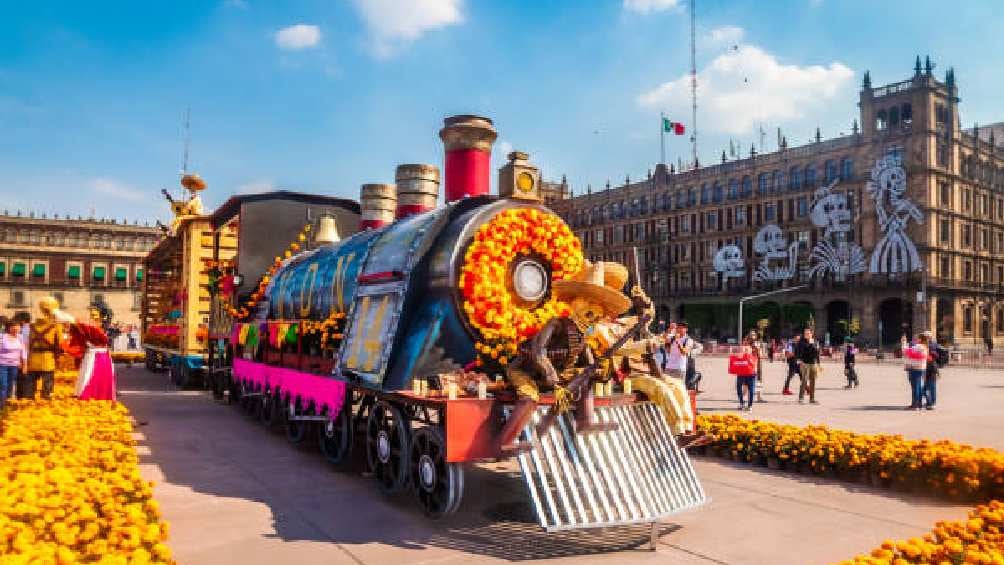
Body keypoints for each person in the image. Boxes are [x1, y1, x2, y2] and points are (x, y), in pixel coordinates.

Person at [23, 296, 63, 400]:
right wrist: (58, 358)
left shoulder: (31, 326)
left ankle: (28, 402)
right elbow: (60, 343)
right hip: (48, 359)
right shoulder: (56, 326)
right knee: (47, 387)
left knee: (30, 386)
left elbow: (26, 343)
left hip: (33, 359)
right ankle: (45, 402)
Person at [0, 316, 28, 409]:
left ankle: (8, 402)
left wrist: (24, 365)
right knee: (3, 384)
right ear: (8, 327)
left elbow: (23, 352)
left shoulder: (20, 338)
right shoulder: (2, 337)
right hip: (2, 365)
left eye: (18, 326)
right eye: (13, 326)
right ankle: (2, 404)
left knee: (11, 384)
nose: (16, 328)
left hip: (14, 365)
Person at [902, 333, 929, 411]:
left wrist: (904, 342)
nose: (915, 340)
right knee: (918, 386)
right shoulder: (924, 347)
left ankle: (915, 405)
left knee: (915, 387)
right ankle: (919, 404)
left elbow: (905, 351)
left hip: (915, 368)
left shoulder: (918, 347)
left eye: (916, 338)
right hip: (921, 368)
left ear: (920, 339)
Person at [729, 340, 758, 411]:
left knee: (749, 389)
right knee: (747, 389)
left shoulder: (752, 348)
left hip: (746, 373)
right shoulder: (750, 349)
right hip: (746, 372)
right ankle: (746, 405)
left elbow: (755, 358)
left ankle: (746, 404)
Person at [796, 327, 822, 404]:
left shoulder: (815, 342)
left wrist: (818, 363)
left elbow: (817, 353)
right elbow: (799, 351)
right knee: (804, 380)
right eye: (805, 333)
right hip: (805, 363)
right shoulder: (801, 342)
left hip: (813, 363)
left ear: (811, 334)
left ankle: (812, 398)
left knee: (813, 381)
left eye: (808, 333)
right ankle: (801, 398)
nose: (806, 335)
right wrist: (799, 360)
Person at [923, 331, 944, 410]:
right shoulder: (933, 345)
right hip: (933, 367)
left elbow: (931, 357)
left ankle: (930, 402)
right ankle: (931, 402)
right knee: (931, 387)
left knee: (927, 387)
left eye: (924, 337)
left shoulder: (930, 346)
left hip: (929, 368)